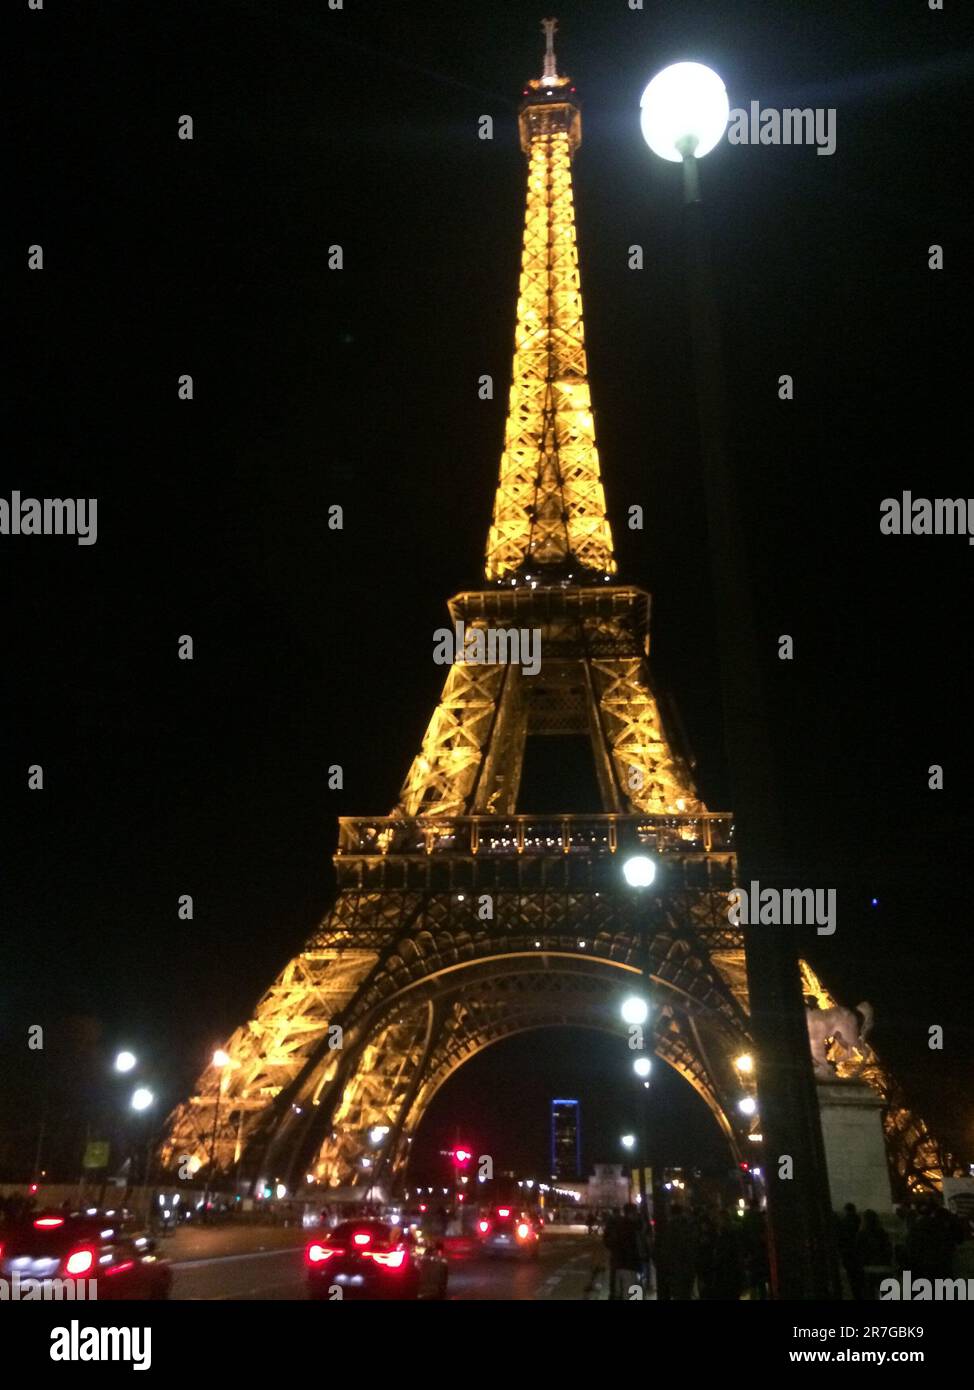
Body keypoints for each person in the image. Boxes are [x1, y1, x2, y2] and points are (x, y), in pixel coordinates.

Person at [603, 1204, 649, 1300]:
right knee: (633, 1293)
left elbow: (609, 1242)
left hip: (620, 1264)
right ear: (632, 1213)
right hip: (632, 1265)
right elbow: (641, 1246)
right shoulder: (634, 1227)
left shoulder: (619, 1226)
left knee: (622, 1291)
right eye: (635, 1212)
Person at [855, 1209, 893, 1299]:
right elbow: (888, 1249)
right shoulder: (882, 1233)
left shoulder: (861, 1234)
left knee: (869, 1294)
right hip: (883, 1267)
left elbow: (858, 1251)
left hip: (868, 1268)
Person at [741, 1199, 770, 1299]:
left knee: (753, 1280)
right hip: (760, 1251)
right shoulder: (759, 1217)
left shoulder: (746, 1219)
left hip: (751, 1253)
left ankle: (754, 1297)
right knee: (762, 1279)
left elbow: (743, 1236)